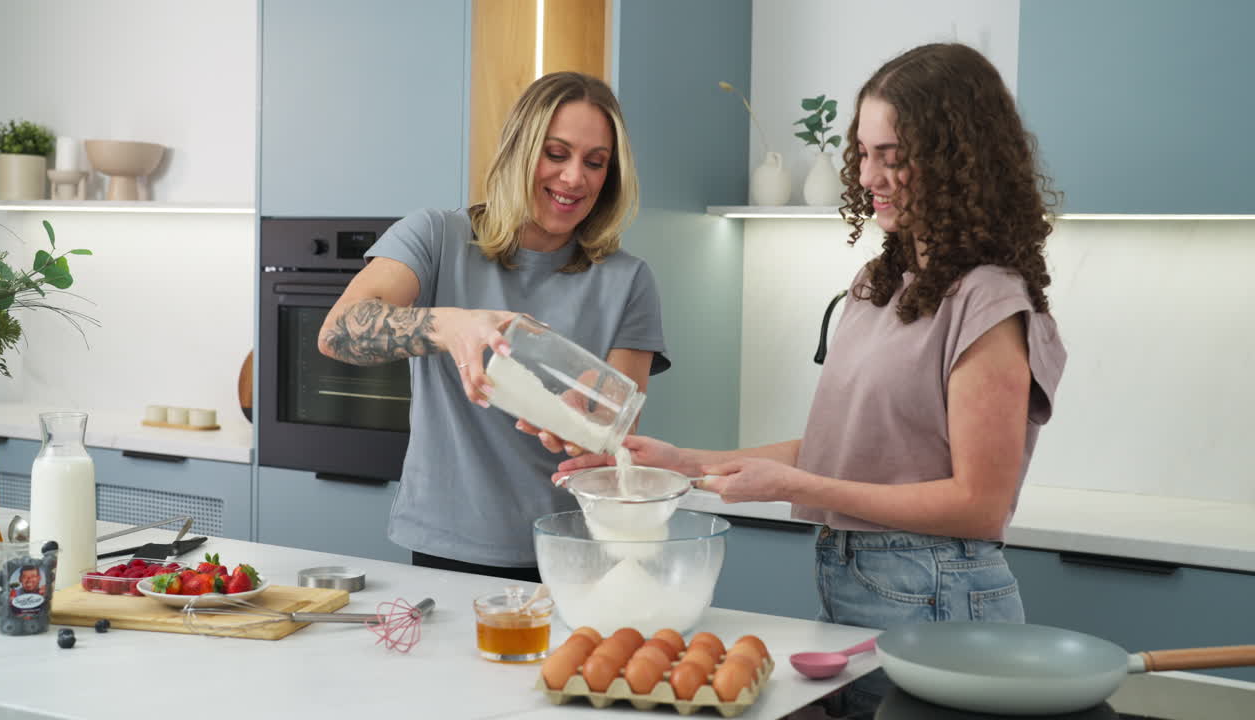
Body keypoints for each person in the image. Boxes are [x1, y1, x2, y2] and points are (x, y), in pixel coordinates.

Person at [556, 43, 1066, 715]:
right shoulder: (880, 285)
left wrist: (795, 488)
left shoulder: (991, 300)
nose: (873, 176)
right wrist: (685, 465)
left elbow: (980, 503)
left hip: (944, 598)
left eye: (896, 156)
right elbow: (839, 447)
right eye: (865, 154)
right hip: (861, 584)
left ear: (957, 162)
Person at [318, 71, 670, 583]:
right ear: (520, 151)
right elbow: (338, 331)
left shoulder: (628, 280)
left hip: (572, 553)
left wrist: (586, 434)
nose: (575, 177)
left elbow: (618, 439)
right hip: (446, 545)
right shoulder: (436, 236)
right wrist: (451, 326)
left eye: (595, 163)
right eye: (556, 153)